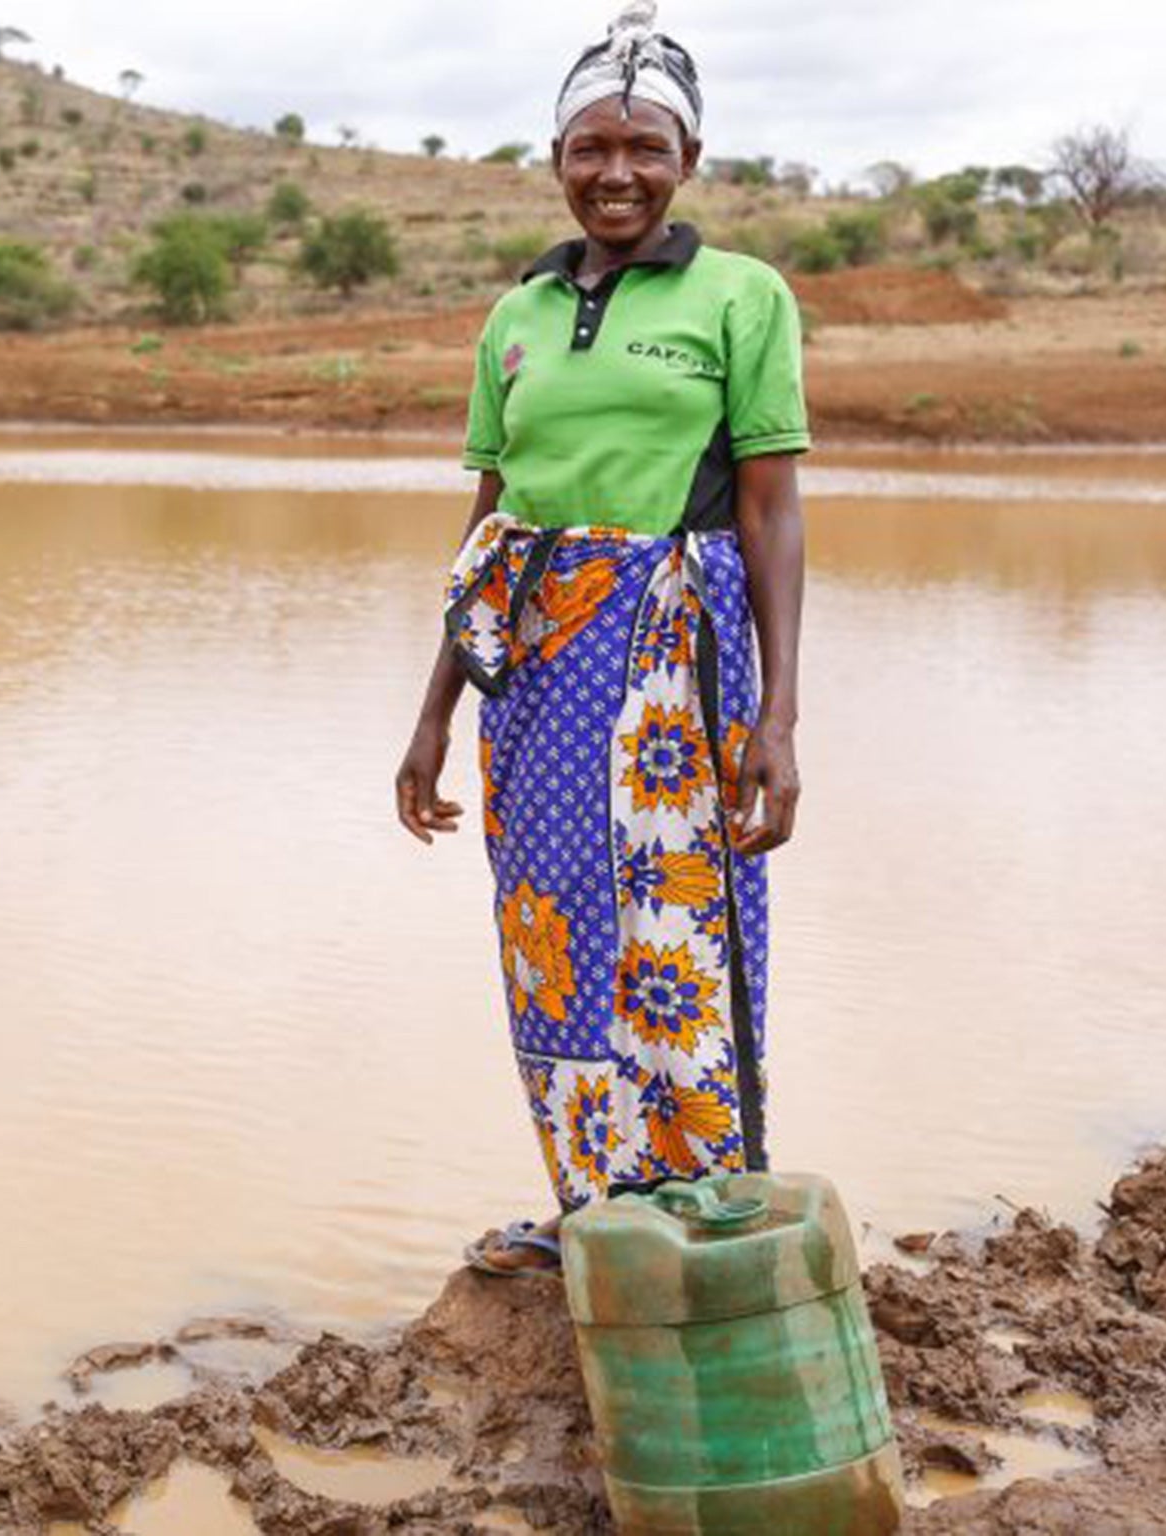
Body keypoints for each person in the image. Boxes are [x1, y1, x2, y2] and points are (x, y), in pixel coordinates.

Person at [394, 0, 808, 1275]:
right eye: (588, 147)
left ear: (686, 159)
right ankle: (592, 1207)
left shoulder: (741, 296)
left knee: (681, 924)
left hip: (676, 653)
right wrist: (432, 712)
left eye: (641, 146)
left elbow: (771, 505)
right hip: (529, 663)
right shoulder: (514, 316)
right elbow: (492, 517)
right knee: (550, 927)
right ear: (555, 158)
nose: (613, 172)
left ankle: (712, 1211)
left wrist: (779, 719)